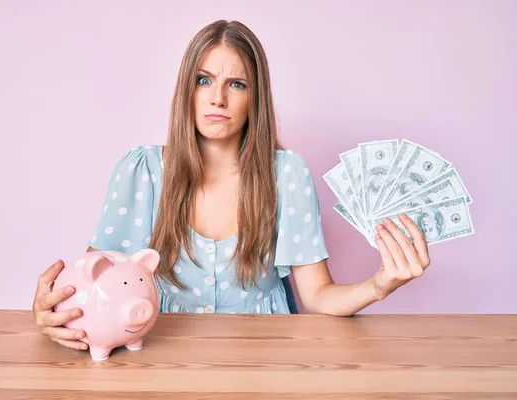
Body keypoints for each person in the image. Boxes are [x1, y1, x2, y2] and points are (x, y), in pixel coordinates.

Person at [32, 20, 432, 351]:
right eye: (204, 80)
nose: (218, 98)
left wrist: (381, 285)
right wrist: (52, 310)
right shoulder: (143, 171)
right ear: (185, 90)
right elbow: (93, 286)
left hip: (267, 357)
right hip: (160, 354)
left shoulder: (285, 174)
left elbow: (316, 296)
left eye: (237, 84)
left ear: (254, 99)